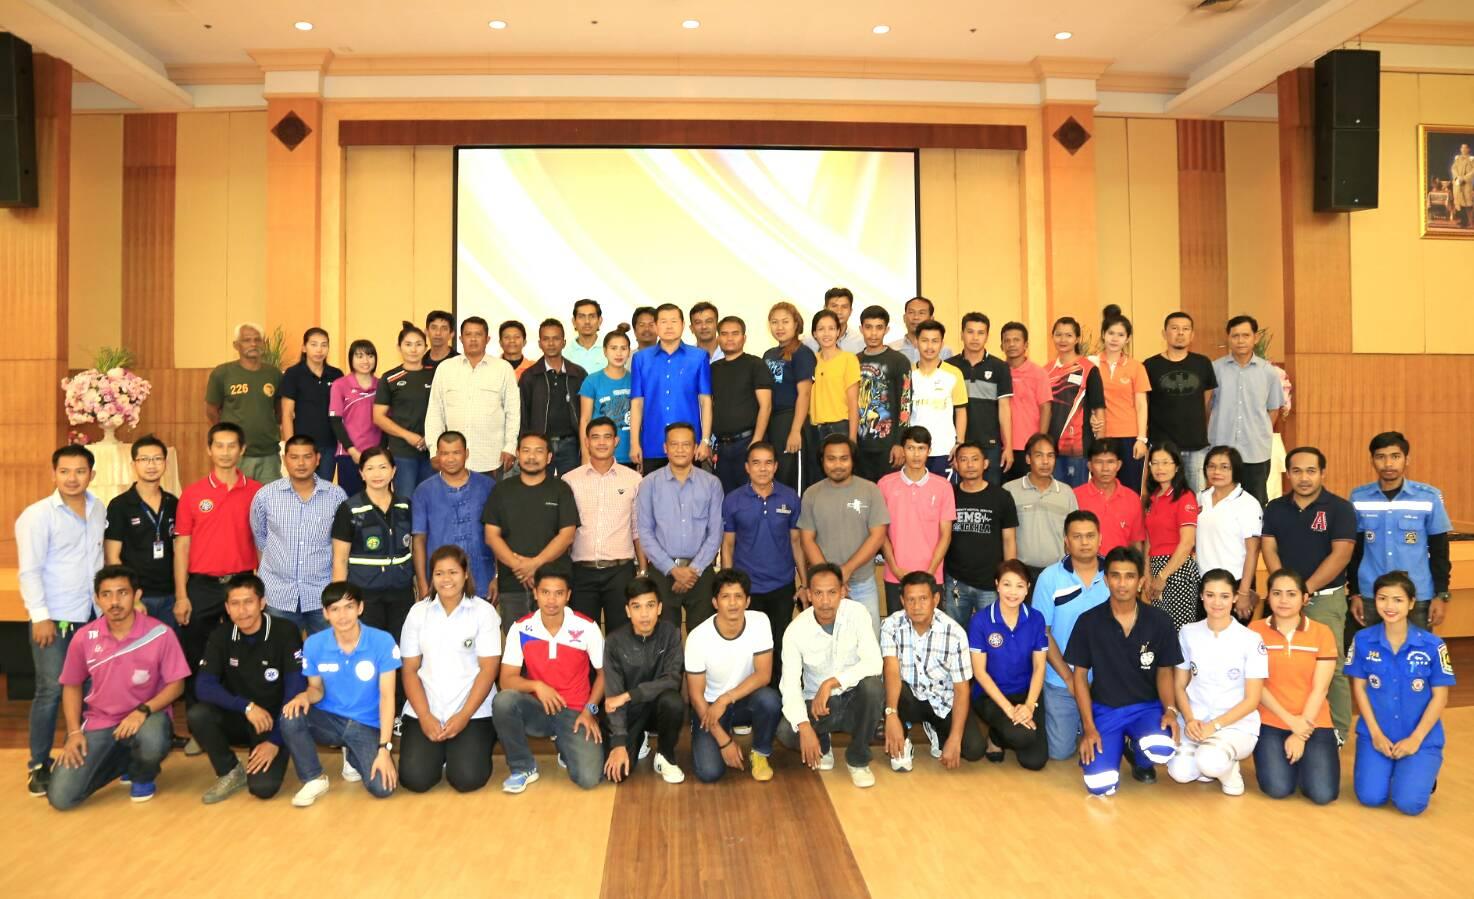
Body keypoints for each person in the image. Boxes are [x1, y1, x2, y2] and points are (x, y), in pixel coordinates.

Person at [46, 566, 190, 809]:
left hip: (146, 717)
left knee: (153, 739)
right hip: (100, 722)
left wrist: (143, 710)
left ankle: (141, 774)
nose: (114, 602)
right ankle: (123, 762)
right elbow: (71, 685)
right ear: (97, 599)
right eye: (106, 594)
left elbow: (177, 685)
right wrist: (73, 733)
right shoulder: (84, 637)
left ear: (137, 595)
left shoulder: (160, 633)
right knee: (61, 798)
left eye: (122, 593)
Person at [18, 445, 106, 797]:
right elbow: (29, 571)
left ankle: (84, 756)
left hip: (91, 616)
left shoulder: (99, 509)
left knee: (91, 691)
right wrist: (40, 617)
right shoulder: (37, 516)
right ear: (53, 474)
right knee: (51, 690)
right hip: (54, 619)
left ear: (91, 474)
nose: (72, 478)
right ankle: (39, 764)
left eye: (80, 471)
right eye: (65, 471)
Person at [1259, 446, 1357, 742]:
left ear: (1322, 473)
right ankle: (1282, 723)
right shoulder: (1275, 508)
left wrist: (1305, 590)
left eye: (1311, 471)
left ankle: (1337, 731)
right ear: (1288, 474)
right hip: (1284, 600)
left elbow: (1341, 555)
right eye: (1297, 471)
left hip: (1324, 598)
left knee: (1332, 666)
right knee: (1278, 664)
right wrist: (1285, 591)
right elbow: (1269, 548)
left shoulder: (1340, 508)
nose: (1304, 478)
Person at [1066, 547, 1182, 795]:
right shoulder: (1088, 621)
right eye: (1115, 576)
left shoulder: (1160, 621)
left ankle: (1138, 756)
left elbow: (1165, 672)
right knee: (1100, 785)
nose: (1122, 583)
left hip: (1147, 708)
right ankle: (1117, 744)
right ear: (1106, 579)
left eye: (1129, 576)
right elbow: (1079, 677)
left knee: (1162, 747)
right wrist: (1089, 727)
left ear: (1140, 581)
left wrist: (1170, 711)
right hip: (1106, 710)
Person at [279, 582, 401, 805]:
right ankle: (313, 778)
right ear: (325, 613)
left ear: (360, 608)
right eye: (334, 609)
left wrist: (384, 748)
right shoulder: (314, 644)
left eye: (349, 607)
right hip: (329, 720)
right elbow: (316, 689)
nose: (342, 616)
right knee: (290, 715)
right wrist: (304, 696)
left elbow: (387, 697)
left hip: (366, 724)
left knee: (383, 788)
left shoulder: (382, 641)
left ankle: (353, 754)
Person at [187, 573, 303, 803]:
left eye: (249, 602)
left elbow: (296, 689)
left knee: (263, 788)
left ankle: (279, 749)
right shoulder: (221, 635)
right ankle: (230, 771)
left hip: (273, 722)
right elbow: (203, 686)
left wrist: (275, 740)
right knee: (198, 714)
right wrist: (247, 707)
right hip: (241, 715)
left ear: (262, 602)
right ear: (227, 608)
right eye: (235, 604)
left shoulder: (285, 631)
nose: (242, 611)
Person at [1347, 570, 1455, 816]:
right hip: (1377, 735)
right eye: (1382, 598)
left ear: (1411, 603)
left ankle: (1422, 773)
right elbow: (1359, 688)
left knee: (1409, 804)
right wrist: (1375, 734)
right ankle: (1398, 771)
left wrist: (1416, 739)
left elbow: (1440, 697)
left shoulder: (1433, 646)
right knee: (1370, 797)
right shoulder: (1362, 640)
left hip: (1420, 736)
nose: (1389, 606)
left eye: (1398, 600)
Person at [174, 423, 262, 717]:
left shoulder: (257, 492)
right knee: (196, 655)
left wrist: (261, 585)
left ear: (242, 449)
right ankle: (199, 720)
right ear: (209, 450)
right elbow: (182, 547)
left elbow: (262, 542)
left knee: (246, 653)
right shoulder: (192, 494)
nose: (225, 452)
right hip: (202, 586)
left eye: (231, 446)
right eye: (219, 446)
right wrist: (181, 595)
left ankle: (244, 718)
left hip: (243, 583)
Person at [398, 545, 502, 794]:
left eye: (453, 572)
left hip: (472, 710)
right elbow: (409, 669)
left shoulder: (483, 612)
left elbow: (488, 670)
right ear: (432, 577)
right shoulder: (418, 612)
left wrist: (464, 715)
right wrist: (425, 716)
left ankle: (456, 751)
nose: (446, 579)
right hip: (427, 707)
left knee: (467, 779)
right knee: (415, 779)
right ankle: (441, 752)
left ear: (465, 574)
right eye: (439, 573)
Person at [492, 569, 606, 793]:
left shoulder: (587, 627)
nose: (551, 600)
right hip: (538, 708)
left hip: (576, 713)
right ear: (535, 593)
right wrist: (536, 685)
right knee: (504, 701)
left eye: (558, 593)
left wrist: (590, 710)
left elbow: (605, 675)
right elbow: (506, 680)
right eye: (545, 592)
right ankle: (523, 768)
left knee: (589, 779)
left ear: (568, 595)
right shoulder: (521, 628)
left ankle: (565, 744)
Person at [778, 563, 885, 787]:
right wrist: (804, 727)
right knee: (787, 731)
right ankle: (822, 742)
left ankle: (858, 759)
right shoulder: (796, 631)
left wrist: (831, 683)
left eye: (832, 592)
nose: (825, 601)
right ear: (808, 594)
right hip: (818, 707)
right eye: (818, 593)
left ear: (843, 592)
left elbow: (874, 662)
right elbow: (789, 686)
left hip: (854, 699)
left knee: (874, 687)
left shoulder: (857, 613)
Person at [1166, 569, 1267, 795]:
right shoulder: (1188, 632)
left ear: (1235, 598)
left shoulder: (1251, 640)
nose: (1217, 603)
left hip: (1235, 724)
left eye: (1224, 596)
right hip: (1195, 720)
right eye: (1210, 595)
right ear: (1201, 596)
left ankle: (1227, 770)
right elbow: (1179, 685)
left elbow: (1252, 700)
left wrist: (1215, 726)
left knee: (1210, 762)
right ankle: (1210, 759)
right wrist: (1189, 719)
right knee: (1180, 773)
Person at [1248, 568, 1340, 805]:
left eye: (1291, 594)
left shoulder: (1322, 632)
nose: (1283, 600)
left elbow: (1321, 688)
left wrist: (1300, 732)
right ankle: (1295, 765)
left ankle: (1304, 763)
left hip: (1313, 720)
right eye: (1277, 593)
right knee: (1278, 788)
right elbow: (1256, 685)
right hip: (1270, 720)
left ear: (1304, 598)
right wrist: (1291, 722)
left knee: (1323, 794)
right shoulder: (1254, 631)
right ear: (1268, 596)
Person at [685, 569, 782, 783]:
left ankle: (760, 753)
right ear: (714, 602)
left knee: (770, 700)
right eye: (725, 597)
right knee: (709, 773)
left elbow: (764, 675)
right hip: (710, 709)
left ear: (747, 601)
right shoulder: (698, 637)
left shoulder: (760, 622)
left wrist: (726, 698)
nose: (732, 603)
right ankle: (709, 731)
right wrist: (724, 742)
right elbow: (696, 697)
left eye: (738, 596)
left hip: (743, 700)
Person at [882, 571, 985, 771]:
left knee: (973, 750)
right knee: (889, 688)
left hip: (943, 700)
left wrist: (955, 739)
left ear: (935, 599)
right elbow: (891, 671)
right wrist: (891, 713)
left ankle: (936, 729)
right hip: (909, 697)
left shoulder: (955, 633)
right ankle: (903, 740)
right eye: (910, 600)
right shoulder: (891, 625)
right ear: (902, 601)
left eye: (923, 599)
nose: (916, 606)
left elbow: (962, 689)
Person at [1349, 431, 1452, 632]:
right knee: (1371, 649)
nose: (1388, 464)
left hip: (1417, 596)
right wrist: (1354, 593)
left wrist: (1441, 595)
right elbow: (1354, 551)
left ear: (1407, 460)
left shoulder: (1428, 497)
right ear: (1372, 461)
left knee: (1416, 650)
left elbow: (1440, 551)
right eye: (1381, 457)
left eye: (1395, 456)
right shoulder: (1359, 497)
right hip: (1371, 595)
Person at [722, 441, 804, 684]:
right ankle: (751, 698)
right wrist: (728, 586)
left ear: (776, 466)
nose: (762, 468)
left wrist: (804, 582)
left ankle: (780, 697)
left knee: (780, 645)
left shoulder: (790, 497)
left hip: (782, 585)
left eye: (768, 463)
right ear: (747, 467)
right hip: (747, 588)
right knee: (749, 648)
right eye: (756, 463)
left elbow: (796, 542)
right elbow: (727, 546)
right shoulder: (733, 500)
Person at [250, 435, 348, 635]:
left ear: (318, 459)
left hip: (322, 594)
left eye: (307, 456)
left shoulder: (336, 496)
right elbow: (260, 540)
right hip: (278, 596)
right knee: (280, 654)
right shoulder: (265, 496)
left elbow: (341, 545)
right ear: (284, 459)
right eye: (294, 457)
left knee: (326, 653)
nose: (301, 463)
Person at [1032, 510, 1110, 760]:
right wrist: (1069, 678)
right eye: (1077, 536)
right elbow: (1042, 633)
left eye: (1090, 536)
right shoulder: (1049, 578)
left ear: (1100, 538)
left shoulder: (1114, 575)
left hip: (1104, 682)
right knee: (1059, 753)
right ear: (1066, 540)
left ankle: (1086, 723)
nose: (1084, 542)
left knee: (1107, 748)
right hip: (1061, 680)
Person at [483, 432, 580, 631]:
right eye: (526, 451)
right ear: (518, 454)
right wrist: (520, 567)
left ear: (549, 457)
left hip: (554, 585)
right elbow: (491, 536)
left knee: (556, 642)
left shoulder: (561, 489)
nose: (532, 456)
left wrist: (535, 564)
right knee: (516, 642)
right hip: (512, 583)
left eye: (539, 451)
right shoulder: (501, 490)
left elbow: (567, 535)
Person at [637, 422, 724, 630]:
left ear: (695, 448)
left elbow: (715, 533)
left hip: (701, 572)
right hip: (662, 571)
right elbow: (645, 532)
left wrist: (693, 570)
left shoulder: (712, 484)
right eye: (674, 444)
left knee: (701, 638)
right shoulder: (649, 483)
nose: (680, 450)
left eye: (686, 444)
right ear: (665, 448)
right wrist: (672, 569)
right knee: (665, 639)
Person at [797, 434, 888, 627]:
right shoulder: (811, 494)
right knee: (826, 641)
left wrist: (847, 570)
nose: (837, 465)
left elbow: (878, 535)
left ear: (853, 460)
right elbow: (807, 539)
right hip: (824, 588)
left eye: (843, 458)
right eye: (831, 459)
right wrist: (831, 579)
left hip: (863, 584)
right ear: (822, 461)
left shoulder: (870, 490)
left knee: (868, 640)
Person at [331, 448, 416, 657]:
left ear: (393, 471)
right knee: (369, 654)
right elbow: (340, 559)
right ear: (361, 473)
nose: (377, 474)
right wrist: (341, 601)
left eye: (383, 467)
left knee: (400, 652)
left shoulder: (405, 506)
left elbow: (413, 547)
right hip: (365, 596)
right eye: (370, 468)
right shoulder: (349, 509)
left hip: (401, 594)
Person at [602, 577, 687, 784]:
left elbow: (672, 680)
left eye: (650, 605)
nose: (644, 614)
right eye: (637, 607)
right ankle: (639, 739)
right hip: (630, 713)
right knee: (616, 775)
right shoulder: (614, 641)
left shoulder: (671, 634)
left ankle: (665, 756)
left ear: (659, 608)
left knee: (673, 701)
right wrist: (619, 742)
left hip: (658, 708)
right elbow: (613, 696)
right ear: (627, 611)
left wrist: (630, 695)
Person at [565, 417, 644, 632]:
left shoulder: (633, 479)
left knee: (621, 637)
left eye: (607, 437)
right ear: (586, 442)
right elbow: (564, 531)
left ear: (616, 441)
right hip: (581, 572)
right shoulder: (569, 480)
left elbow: (637, 529)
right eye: (595, 437)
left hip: (620, 572)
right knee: (581, 637)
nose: (601, 443)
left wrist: (643, 570)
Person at [967, 560, 1048, 769]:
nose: (1013, 592)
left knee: (1035, 761)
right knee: (1021, 735)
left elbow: (1039, 667)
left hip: (1026, 693)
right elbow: (979, 672)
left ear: (1028, 588)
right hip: (991, 696)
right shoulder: (981, 621)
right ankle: (997, 736)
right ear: (997, 585)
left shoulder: (1036, 619)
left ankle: (1002, 734)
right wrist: (1010, 711)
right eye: (1006, 584)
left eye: (1019, 585)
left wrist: (1028, 706)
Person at [877, 427, 955, 624]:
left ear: (929, 450)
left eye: (921, 448)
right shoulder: (885, 484)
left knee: (931, 632)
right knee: (896, 630)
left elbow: (946, 535)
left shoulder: (943, 486)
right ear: (902, 449)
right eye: (910, 448)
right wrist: (894, 567)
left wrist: (930, 571)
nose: (916, 454)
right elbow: (880, 532)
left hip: (932, 575)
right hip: (896, 575)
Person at [425, 316, 520, 477]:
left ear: (487, 339)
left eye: (478, 334)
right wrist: (434, 449)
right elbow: (435, 412)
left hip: (492, 458)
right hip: (452, 459)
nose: (473, 339)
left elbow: (513, 412)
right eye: (468, 334)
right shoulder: (445, 368)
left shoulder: (503, 369)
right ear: (461, 339)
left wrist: (510, 447)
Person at [1207, 315, 1284, 506]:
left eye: (1245, 335)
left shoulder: (1268, 372)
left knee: (1255, 504)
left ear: (1255, 338)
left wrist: (1259, 433)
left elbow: (1273, 409)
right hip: (1221, 449)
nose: (1240, 341)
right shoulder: (1215, 369)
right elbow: (1207, 407)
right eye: (1235, 336)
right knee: (1220, 503)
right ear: (1228, 338)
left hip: (1255, 451)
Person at [411, 432, 496, 600]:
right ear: (437, 455)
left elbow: (498, 535)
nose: (450, 459)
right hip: (440, 583)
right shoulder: (423, 491)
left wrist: (497, 577)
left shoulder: (487, 486)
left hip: (482, 578)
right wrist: (422, 583)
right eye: (444, 453)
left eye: (456, 452)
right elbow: (419, 540)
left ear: (467, 453)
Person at [103, 436, 178, 628]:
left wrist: (181, 594)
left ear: (166, 463)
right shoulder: (119, 505)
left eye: (157, 459)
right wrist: (131, 598)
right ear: (133, 465)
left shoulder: (173, 503)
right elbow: (112, 557)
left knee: (169, 646)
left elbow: (181, 550)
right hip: (137, 598)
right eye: (144, 459)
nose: (151, 465)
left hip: (170, 596)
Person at [630, 303, 713, 473]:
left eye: (674, 321)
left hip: (689, 445)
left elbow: (705, 401)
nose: (669, 326)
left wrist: (705, 441)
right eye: (663, 321)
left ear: (683, 325)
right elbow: (637, 403)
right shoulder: (640, 359)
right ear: (656, 325)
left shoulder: (699, 357)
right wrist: (634, 443)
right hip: (652, 443)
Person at [944, 441, 1018, 626]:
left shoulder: (1001, 497)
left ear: (985, 463)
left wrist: (1009, 576)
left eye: (975, 459)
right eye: (963, 459)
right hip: (955, 581)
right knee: (955, 633)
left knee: (992, 633)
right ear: (956, 464)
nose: (969, 464)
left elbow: (1009, 540)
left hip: (990, 582)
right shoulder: (948, 495)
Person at [1143, 312, 1217, 494]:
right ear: (1164, 333)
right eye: (1175, 328)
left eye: (1185, 329)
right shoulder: (1150, 365)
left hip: (1196, 445)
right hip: (1162, 447)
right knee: (1161, 497)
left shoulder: (1203, 363)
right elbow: (1144, 405)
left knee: (1196, 497)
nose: (1180, 333)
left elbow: (1207, 401)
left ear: (1192, 334)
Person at [205, 322, 283, 484]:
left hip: (269, 454)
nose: (253, 344)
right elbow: (212, 411)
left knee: (270, 498)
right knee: (237, 498)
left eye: (257, 340)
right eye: (247, 340)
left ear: (263, 343)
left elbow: (279, 410)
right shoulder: (222, 373)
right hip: (236, 454)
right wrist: (227, 435)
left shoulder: (274, 374)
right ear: (236, 345)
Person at [1195, 446, 1263, 621]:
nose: (1216, 472)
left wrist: (1244, 592)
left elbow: (1253, 551)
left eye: (1224, 467)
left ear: (1235, 470)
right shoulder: (1199, 498)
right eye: (1211, 466)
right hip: (1204, 582)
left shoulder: (1248, 503)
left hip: (1236, 583)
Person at [709, 315, 774, 493]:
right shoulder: (713, 369)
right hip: (722, 447)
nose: (729, 338)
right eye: (724, 334)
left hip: (748, 442)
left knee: (752, 495)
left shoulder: (755, 364)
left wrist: (756, 442)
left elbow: (766, 406)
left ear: (744, 338)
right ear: (718, 338)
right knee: (726, 498)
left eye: (735, 333)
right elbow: (709, 406)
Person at [1004, 433, 1077, 584]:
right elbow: (1004, 537)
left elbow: (1073, 534)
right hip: (1021, 574)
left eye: (1050, 456)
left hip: (1057, 573)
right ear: (1028, 458)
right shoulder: (1010, 491)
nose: (1045, 461)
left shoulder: (1066, 492)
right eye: (1039, 455)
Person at [373, 321, 436, 496]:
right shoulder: (390, 378)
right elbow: (378, 417)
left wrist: (431, 437)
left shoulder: (436, 374)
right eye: (408, 344)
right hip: (402, 451)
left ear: (426, 347)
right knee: (405, 500)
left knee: (429, 500)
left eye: (418, 344)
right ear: (399, 347)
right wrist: (408, 436)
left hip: (432, 451)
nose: (413, 349)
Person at [1142, 443, 1201, 629]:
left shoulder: (1184, 496)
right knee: (1159, 629)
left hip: (1178, 569)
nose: (1160, 468)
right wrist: (1147, 573)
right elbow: (1149, 540)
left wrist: (1162, 576)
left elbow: (1187, 542)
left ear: (1177, 467)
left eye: (1166, 462)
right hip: (1156, 567)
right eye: (1155, 463)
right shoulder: (1152, 498)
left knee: (1179, 631)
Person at [1093, 305, 1150, 493]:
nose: (1114, 339)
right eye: (1111, 333)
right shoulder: (1091, 364)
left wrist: (1141, 439)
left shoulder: (1136, 367)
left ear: (1127, 339)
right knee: (1101, 489)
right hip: (1101, 436)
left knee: (1130, 490)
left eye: (1120, 335)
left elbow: (1141, 405)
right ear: (1103, 334)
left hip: (1129, 437)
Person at [521, 319, 587, 476]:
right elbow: (523, 414)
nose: (551, 343)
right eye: (546, 339)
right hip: (540, 443)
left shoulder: (578, 374)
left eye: (556, 338)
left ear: (564, 342)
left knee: (572, 485)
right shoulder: (530, 376)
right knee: (540, 485)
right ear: (539, 343)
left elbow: (586, 412)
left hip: (571, 444)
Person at [854, 304, 912, 483]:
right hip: (860, 445)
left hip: (888, 445)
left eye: (879, 327)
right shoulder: (854, 361)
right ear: (861, 329)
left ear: (886, 330)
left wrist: (900, 443)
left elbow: (905, 403)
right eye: (868, 327)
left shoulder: (899, 361)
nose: (873, 333)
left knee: (889, 493)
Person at [1045, 316, 1105, 488]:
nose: (1063, 340)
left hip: (1078, 449)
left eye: (1069, 335)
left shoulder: (1089, 369)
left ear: (1077, 338)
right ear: (1052, 337)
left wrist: (1100, 449)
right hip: (1050, 449)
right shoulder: (1046, 370)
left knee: (1077, 497)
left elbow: (1099, 410)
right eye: (1058, 335)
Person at [762, 301, 816, 490]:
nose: (780, 327)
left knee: (791, 477)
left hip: (791, 419)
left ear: (796, 324)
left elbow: (805, 394)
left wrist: (795, 431)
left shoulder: (802, 353)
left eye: (785, 321)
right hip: (772, 422)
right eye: (774, 322)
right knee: (776, 477)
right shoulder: (769, 354)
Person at [952, 312, 1014, 476]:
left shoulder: (1000, 367)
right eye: (970, 332)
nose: (975, 338)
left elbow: (1004, 408)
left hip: (990, 445)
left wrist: (1008, 446)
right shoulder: (950, 367)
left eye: (980, 333)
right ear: (962, 334)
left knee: (990, 490)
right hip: (957, 445)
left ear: (987, 336)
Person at [279, 327, 343, 480]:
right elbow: (287, 414)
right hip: (302, 445)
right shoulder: (293, 374)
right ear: (304, 347)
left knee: (324, 488)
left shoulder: (336, 375)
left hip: (329, 445)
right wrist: (291, 447)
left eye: (324, 345)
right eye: (314, 344)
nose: (319, 350)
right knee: (301, 486)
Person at [908, 320, 968, 477]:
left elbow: (961, 411)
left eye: (935, 341)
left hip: (945, 450)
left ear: (942, 344)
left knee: (944, 492)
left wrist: (959, 443)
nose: (929, 346)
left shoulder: (954, 373)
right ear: (916, 342)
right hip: (915, 450)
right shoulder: (908, 373)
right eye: (924, 340)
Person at [327, 338, 381, 496]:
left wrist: (381, 451)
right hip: (349, 455)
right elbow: (336, 421)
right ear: (351, 359)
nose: (365, 361)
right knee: (352, 501)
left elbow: (386, 421)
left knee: (377, 501)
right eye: (359, 356)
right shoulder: (340, 384)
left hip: (376, 456)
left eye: (370, 356)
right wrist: (352, 451)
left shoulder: (381, 384)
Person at [1074, 441, 1146, 556]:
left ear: (1119, 465)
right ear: (1090, 466)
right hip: (1084, 565)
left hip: (1120, 565)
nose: (1105, 468)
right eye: (1099, 462)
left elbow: (1136, 543)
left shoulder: (1132, 499)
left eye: (1110, 462)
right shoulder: (1075, 496)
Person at [999, 322, 1050, 483]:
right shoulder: (997, 371)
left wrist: (1040, 442)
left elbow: (1046, 408)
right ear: (1001, 346)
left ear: (1026, 345)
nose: (1011, 344)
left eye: (1016, 340)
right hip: (1002, 447)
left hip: (1028, 446)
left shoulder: (1038, 373)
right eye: (1007, 340)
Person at [578, 330, 634, 467]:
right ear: (604, 351)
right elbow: (585, 419)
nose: (619, 353)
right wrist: (585, 454)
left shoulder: (636, 380)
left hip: (629, 454)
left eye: (623, 348)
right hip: (599, 455)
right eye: (613, 348)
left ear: (629, 352)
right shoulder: (591, 381)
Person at [809, 309, 861, 451]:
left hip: (840, 427)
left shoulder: (848, 359)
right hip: (815, 429)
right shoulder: (811, 360)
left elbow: (853, 402)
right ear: (814, 333)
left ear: (838, 332)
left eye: (831, 328)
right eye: (821, 329)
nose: (826, 334)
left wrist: (852, 438)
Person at [889, 296, 954, 363]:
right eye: (911, 312)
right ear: (904, 318)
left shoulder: (944, 351)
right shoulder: (891, 349)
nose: (916, 317)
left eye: (921, 313)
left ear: (931, 319)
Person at [802, 286, 867, 354]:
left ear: (850, 311)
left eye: (844, 307)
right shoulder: (808, 341)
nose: (839, 311)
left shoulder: (861, 341)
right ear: (825, 308)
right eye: (834, 306)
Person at [564, 298, 607, 373]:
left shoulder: (611, 349)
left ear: (600, 321)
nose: (587, 321)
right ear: (574, 321)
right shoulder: (564, 353)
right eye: (581, 316)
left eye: (592, 316)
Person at [1453, 142, 1474, 229]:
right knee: (1459, 201)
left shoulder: (1471, 159)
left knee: (1467, 201)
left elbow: (1473, 171)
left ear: (1469, 149)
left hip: (1466, 183)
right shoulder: (1458, 159)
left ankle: (1469, 221)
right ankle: (1462, 220)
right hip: (1458, 182)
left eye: (1465, 148)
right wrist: (1457, 177)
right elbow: (1453, 168)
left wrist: (1464, 178)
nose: (1463, 149)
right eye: (1462, 148)